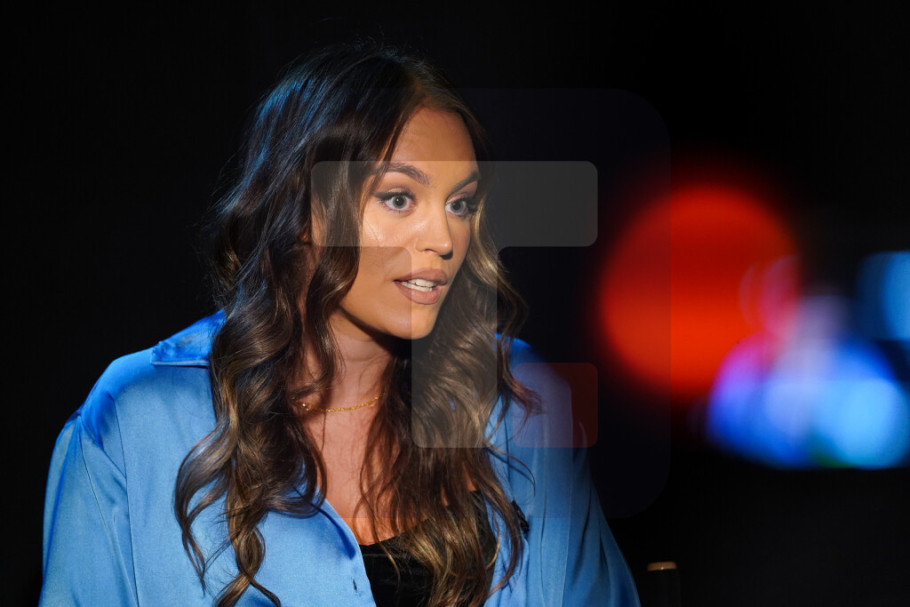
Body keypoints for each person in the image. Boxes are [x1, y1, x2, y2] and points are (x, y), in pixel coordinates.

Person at [40, 42, 640, 606]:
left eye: (460, 204)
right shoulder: (136, 422)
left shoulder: (521, 401)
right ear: (302, 207)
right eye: (399, 198)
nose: (444, 238)